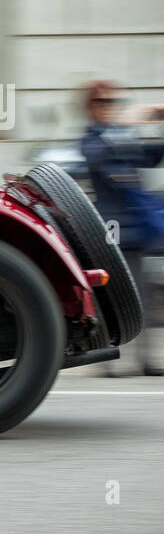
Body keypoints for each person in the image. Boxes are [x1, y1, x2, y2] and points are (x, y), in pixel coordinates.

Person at [79, 80, 164, 376]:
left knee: (143, 295)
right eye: (103, 103)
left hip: (137, 228)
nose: (109, 109)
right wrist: (128, 126)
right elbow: (101, 158)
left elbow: (154, 155)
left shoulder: (122, 138)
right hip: (112, 228)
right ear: (91, 107)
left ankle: (146, 360)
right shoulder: (92, 140)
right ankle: (106, 360)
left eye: (114, 102)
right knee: (111, 296)